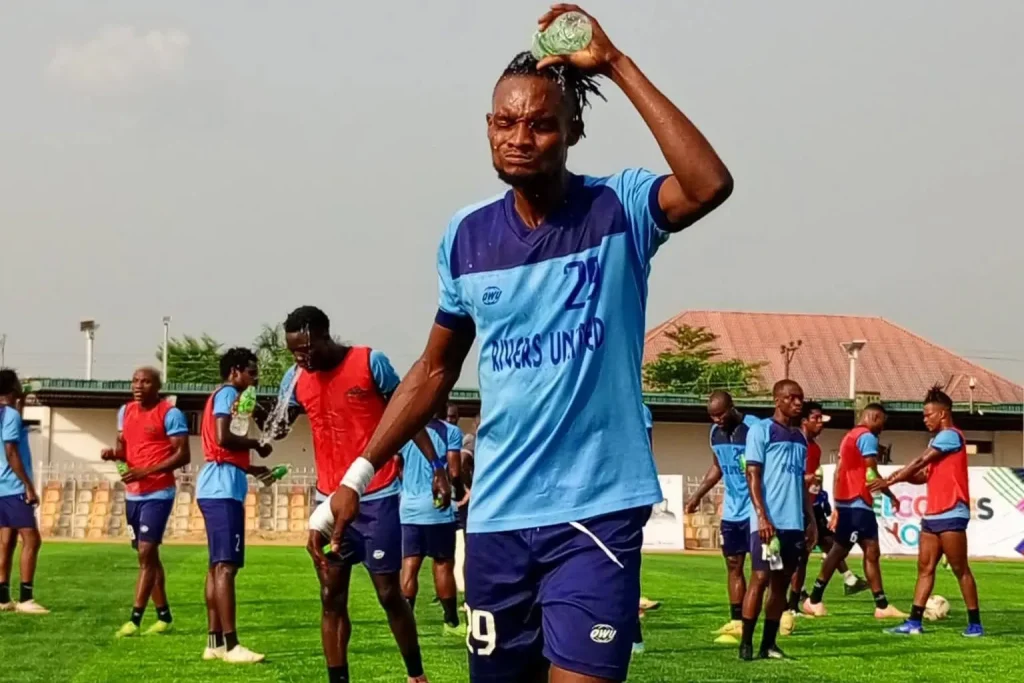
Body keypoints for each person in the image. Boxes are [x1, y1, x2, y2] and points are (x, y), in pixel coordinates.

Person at [318, 5, 733, 680]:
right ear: (488, 127)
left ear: (573, 131)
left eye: (540, 124)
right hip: (497, 518)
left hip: (597, 511)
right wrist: (356, 477)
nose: (519, 138)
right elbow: (433, 371)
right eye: (505, 123)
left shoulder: (620, 207)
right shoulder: (466, 236)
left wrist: (616, 63)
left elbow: (708, 183)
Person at [276, 305, 446, 683]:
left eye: (305, 349)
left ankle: (416, 675)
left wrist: (436, 466)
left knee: (388, 593)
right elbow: (278, 430)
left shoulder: (370, 363)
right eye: (293, 352)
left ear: (324, 336)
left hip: (377, 496)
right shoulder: (296, 378)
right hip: (327, 501)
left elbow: (407, 414)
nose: (301, 358)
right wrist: (252, 416)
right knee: (330, 596)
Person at [873, 386, 983, 637]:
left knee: (960, 569)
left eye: (928, 414)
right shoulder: (937, 441)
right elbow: (923, 474)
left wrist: (890, 479)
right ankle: (914, 622)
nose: (925, 419)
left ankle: (975, 623)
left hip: (952, 511)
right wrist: (902, 477)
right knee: (925, 568)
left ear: (943, 414)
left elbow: (921, 461)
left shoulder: (951, 436)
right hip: (932, 514)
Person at [197, 348, 274, 663]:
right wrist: (258, 443)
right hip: (222, 488)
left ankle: (214, 643)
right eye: (251, 373)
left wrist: (253, 469)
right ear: (235, 372)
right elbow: (222, 437)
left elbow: (224, 449)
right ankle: (232, 646)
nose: (255, 379)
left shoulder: (222, 395)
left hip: (218, 482)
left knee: (216, 566)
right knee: (227, 567)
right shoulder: (229, 393)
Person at [101, 367, 190, 637]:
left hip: (158, 492)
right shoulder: (125, 411)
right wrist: (113, 454)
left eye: (146, 381)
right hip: (133, 494)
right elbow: (125, 449)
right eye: (135, 381)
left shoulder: (170, 414)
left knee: (145, 552)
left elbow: (183, 455)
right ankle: (164, 617)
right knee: (148, 557)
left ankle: (135, 619)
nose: (138, 386)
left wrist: (146, 471)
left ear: (157, 386)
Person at [802, 404, 905, 619]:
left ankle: (881, 605)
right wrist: (890, 493)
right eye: (882, 422)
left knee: (871, 551)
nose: (883, 427)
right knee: (839, 550)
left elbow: (839, 472)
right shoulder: (867, 437)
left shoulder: (849, 437)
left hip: (853, 502)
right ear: (874, 417)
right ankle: (814, 599)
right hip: (856, 502)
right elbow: (871, 473)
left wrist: (838, 505)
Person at [739, 380, 816, 661]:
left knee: (781, 583)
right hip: (768, 523)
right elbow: (753, 475)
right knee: (760, 578)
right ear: (777, 400)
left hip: (793, 524)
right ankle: (745, 643)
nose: (798, 402)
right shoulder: (761, 430)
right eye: (791, 397)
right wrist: (762, 516)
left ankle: (768, 644)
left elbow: (801, 484)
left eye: (800, 398)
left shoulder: (801, 437)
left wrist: (811, 520)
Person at [684, 391, 760, 643]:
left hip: (756, 508)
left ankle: (780, 613)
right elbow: (717, 467)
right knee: (733, 564)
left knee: (763, 568)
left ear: (732, 407)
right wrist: (697, 496)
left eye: (721, 414)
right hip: (732, 509)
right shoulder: (714, 433)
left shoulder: (755, 428)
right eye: (713, 416)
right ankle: (736, 621)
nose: (717, 420)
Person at [789, 402, 867, 616]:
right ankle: (794, 600)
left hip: (811, 507)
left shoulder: (815, 448)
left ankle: (797, 601)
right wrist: (805, 479)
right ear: (804, 421)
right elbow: (788, 474)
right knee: (798, 555)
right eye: (816, 419)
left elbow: (812, 479)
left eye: (821, 419)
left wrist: (818, 493)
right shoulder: (794, 443)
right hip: (793, 507)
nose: (820, 424)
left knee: (819, 548)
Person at [398, 415, 463, 635]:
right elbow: (454, 472)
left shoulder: (407, 429)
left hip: (409, 509)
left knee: (409, 564)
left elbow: (396, 465)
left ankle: (405, 621)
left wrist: (408, 485)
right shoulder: (450, 431)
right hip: (438, 507)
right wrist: (459, 492)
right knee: (443, 564)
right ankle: (451, 622)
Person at [0, 369, 48, 614]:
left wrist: (21, 404)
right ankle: (26, 599)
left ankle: (3, 598)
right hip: (14, 486)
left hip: (1, 487)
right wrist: (28, 485)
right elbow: (11, 451)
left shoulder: (6, 413)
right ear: (12, 388)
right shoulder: (10, 415)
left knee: (6, 541)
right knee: (31, 539)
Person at [454, 413, 478, 595]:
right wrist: (467, 489)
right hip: (475, 503)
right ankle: (470, 593)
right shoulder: (472, 439)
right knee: (472, 550)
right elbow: (463, 460)